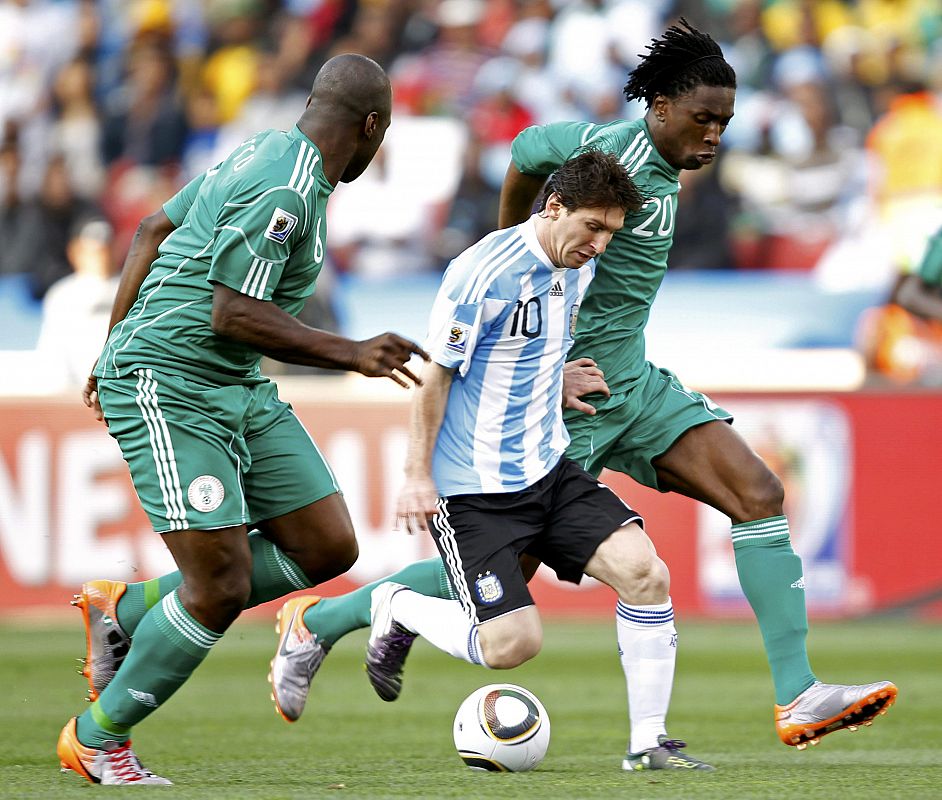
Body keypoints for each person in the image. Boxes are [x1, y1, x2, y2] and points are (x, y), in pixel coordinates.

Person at [76, 20, 899, 770]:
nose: (715, 135)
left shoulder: (653, 168)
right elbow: (530, 159)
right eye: (702, 120)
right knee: (504, 589)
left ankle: (794, 694)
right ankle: (321, 621)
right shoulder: (600, 165)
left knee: (758, 490)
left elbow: (530, 154)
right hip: (546, 398)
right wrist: (514, 252)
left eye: (724, 121)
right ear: (657, 107)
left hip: (625, 382)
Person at [56, 53, 428, 786]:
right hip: (171, 381)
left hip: (233, 383)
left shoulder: (266, 150)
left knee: (325, 544)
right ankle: (97, 740)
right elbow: (232, 311)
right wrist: (349, 351)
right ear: (372, 126)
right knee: (218, 586)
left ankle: (124, 610)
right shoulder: (283, 190)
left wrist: (107, 345)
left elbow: (152, 229)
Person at [368, 149, 676, 766]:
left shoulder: (575, 267)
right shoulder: (482, 272)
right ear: (554, 207)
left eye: (611, 233)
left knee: (647, 574)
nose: (600, 245)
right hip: (474, 491)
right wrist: (415, 474)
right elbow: (436, 376)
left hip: (548, 468)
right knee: (512, 644)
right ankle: (396, 605)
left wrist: (552, 381)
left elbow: (523, 346)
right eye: (593, 227)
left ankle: (649, 744)